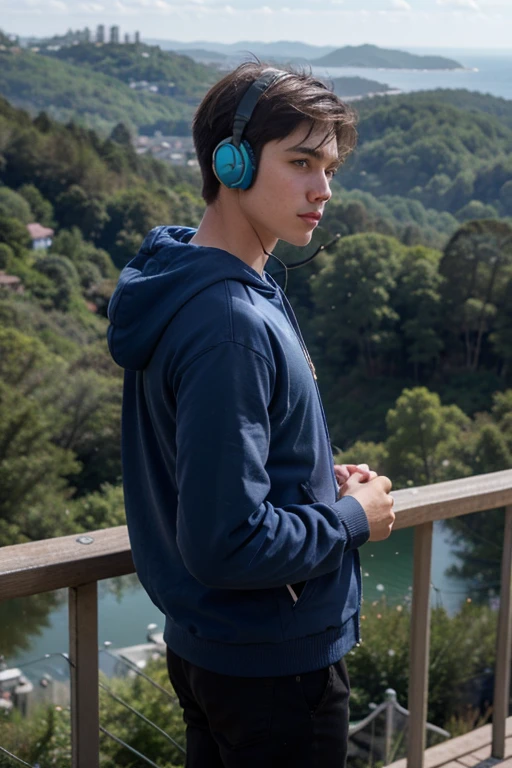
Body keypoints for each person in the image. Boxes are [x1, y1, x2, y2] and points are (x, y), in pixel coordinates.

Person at [107, 61, 395, 768]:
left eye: (328, 167)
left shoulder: (203, 284)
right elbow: (226, 541)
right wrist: (354, 519)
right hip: (274, 668)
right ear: (230, 162)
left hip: (220, 650)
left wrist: (314, 479)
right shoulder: (228, 322)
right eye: (301, 162)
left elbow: (208, 464)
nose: (322, 188)